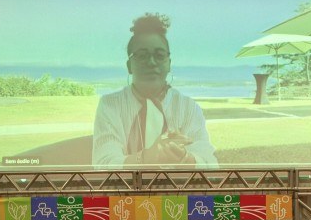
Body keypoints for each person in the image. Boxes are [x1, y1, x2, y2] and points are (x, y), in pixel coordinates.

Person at [91, 12, 218, 169]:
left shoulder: (188, 107)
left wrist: (185, 158)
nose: (151, 62)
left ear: (169, 63)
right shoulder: (110, 105)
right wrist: (147, 157)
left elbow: (210, 164)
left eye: (159, 55)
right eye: (142, 55)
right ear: (129, 65)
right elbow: (103, 164)